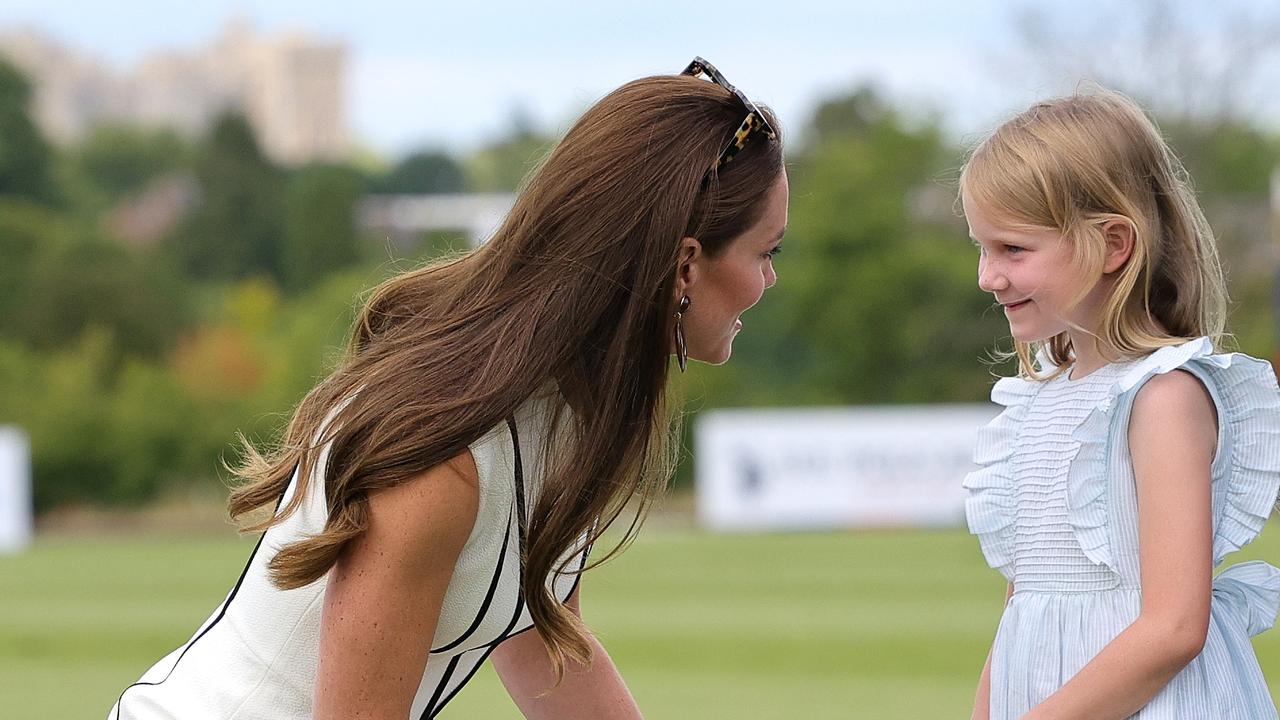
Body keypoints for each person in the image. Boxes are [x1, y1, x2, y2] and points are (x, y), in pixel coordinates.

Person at [109, 56, 787, 720]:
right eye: (766, 252)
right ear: (685, 265)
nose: (769, 281)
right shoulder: (444, 461)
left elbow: (543, 646)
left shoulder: (564, 407)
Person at [960, 88, 1280, 720]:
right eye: (981, 246)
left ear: (1113, 245)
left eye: (1012, 249)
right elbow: (1023, 604)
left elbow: (1174, 627)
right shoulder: (1039, 402)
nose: (986, 276)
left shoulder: (1164, 399)